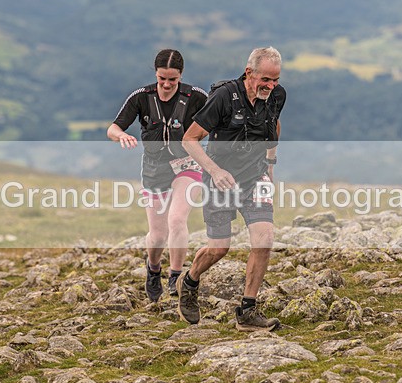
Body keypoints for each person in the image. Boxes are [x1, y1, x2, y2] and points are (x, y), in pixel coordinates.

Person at [177, 46, 285, 331]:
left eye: (275, 80)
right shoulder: (224, 97)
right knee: (219, 247)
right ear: (249, 72)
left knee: (264, 239)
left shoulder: (276, 95)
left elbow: (274, 126)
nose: (271, 86)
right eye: (265, 80)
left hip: (256, 177)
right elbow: (189, 139)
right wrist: (214, 170)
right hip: (220, 179)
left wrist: (270, 165)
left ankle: (247, 312)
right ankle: (189, 281)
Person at [107, 49, 208, 302]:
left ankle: (176, 276)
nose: (167, 84)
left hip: (187, 164)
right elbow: (113, 128)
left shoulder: (196, 96)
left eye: (173, 79)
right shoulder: (141, 97)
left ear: (181, 76)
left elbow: (218, 120)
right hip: (154, 168)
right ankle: (153, 269)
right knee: (158, 235)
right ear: (156, 74)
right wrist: (121, 135)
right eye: (162, 78)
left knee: (177, 219)